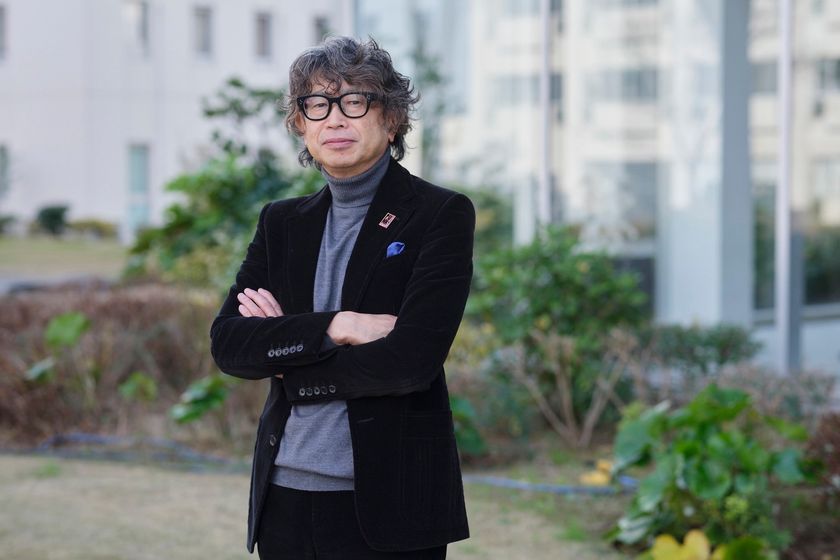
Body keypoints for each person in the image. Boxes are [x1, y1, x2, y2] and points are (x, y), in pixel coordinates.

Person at [210, 36, 474, 559]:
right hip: (284, 495)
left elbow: (411, 361)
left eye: (354, 101)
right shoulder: (282, 222)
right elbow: (231, 345)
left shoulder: (439, 214)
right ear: (300, 123)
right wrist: (338, 326)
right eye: (317, 104)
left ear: (391, 119)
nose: (334, 119)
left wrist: (289, 362)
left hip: (390, 501)